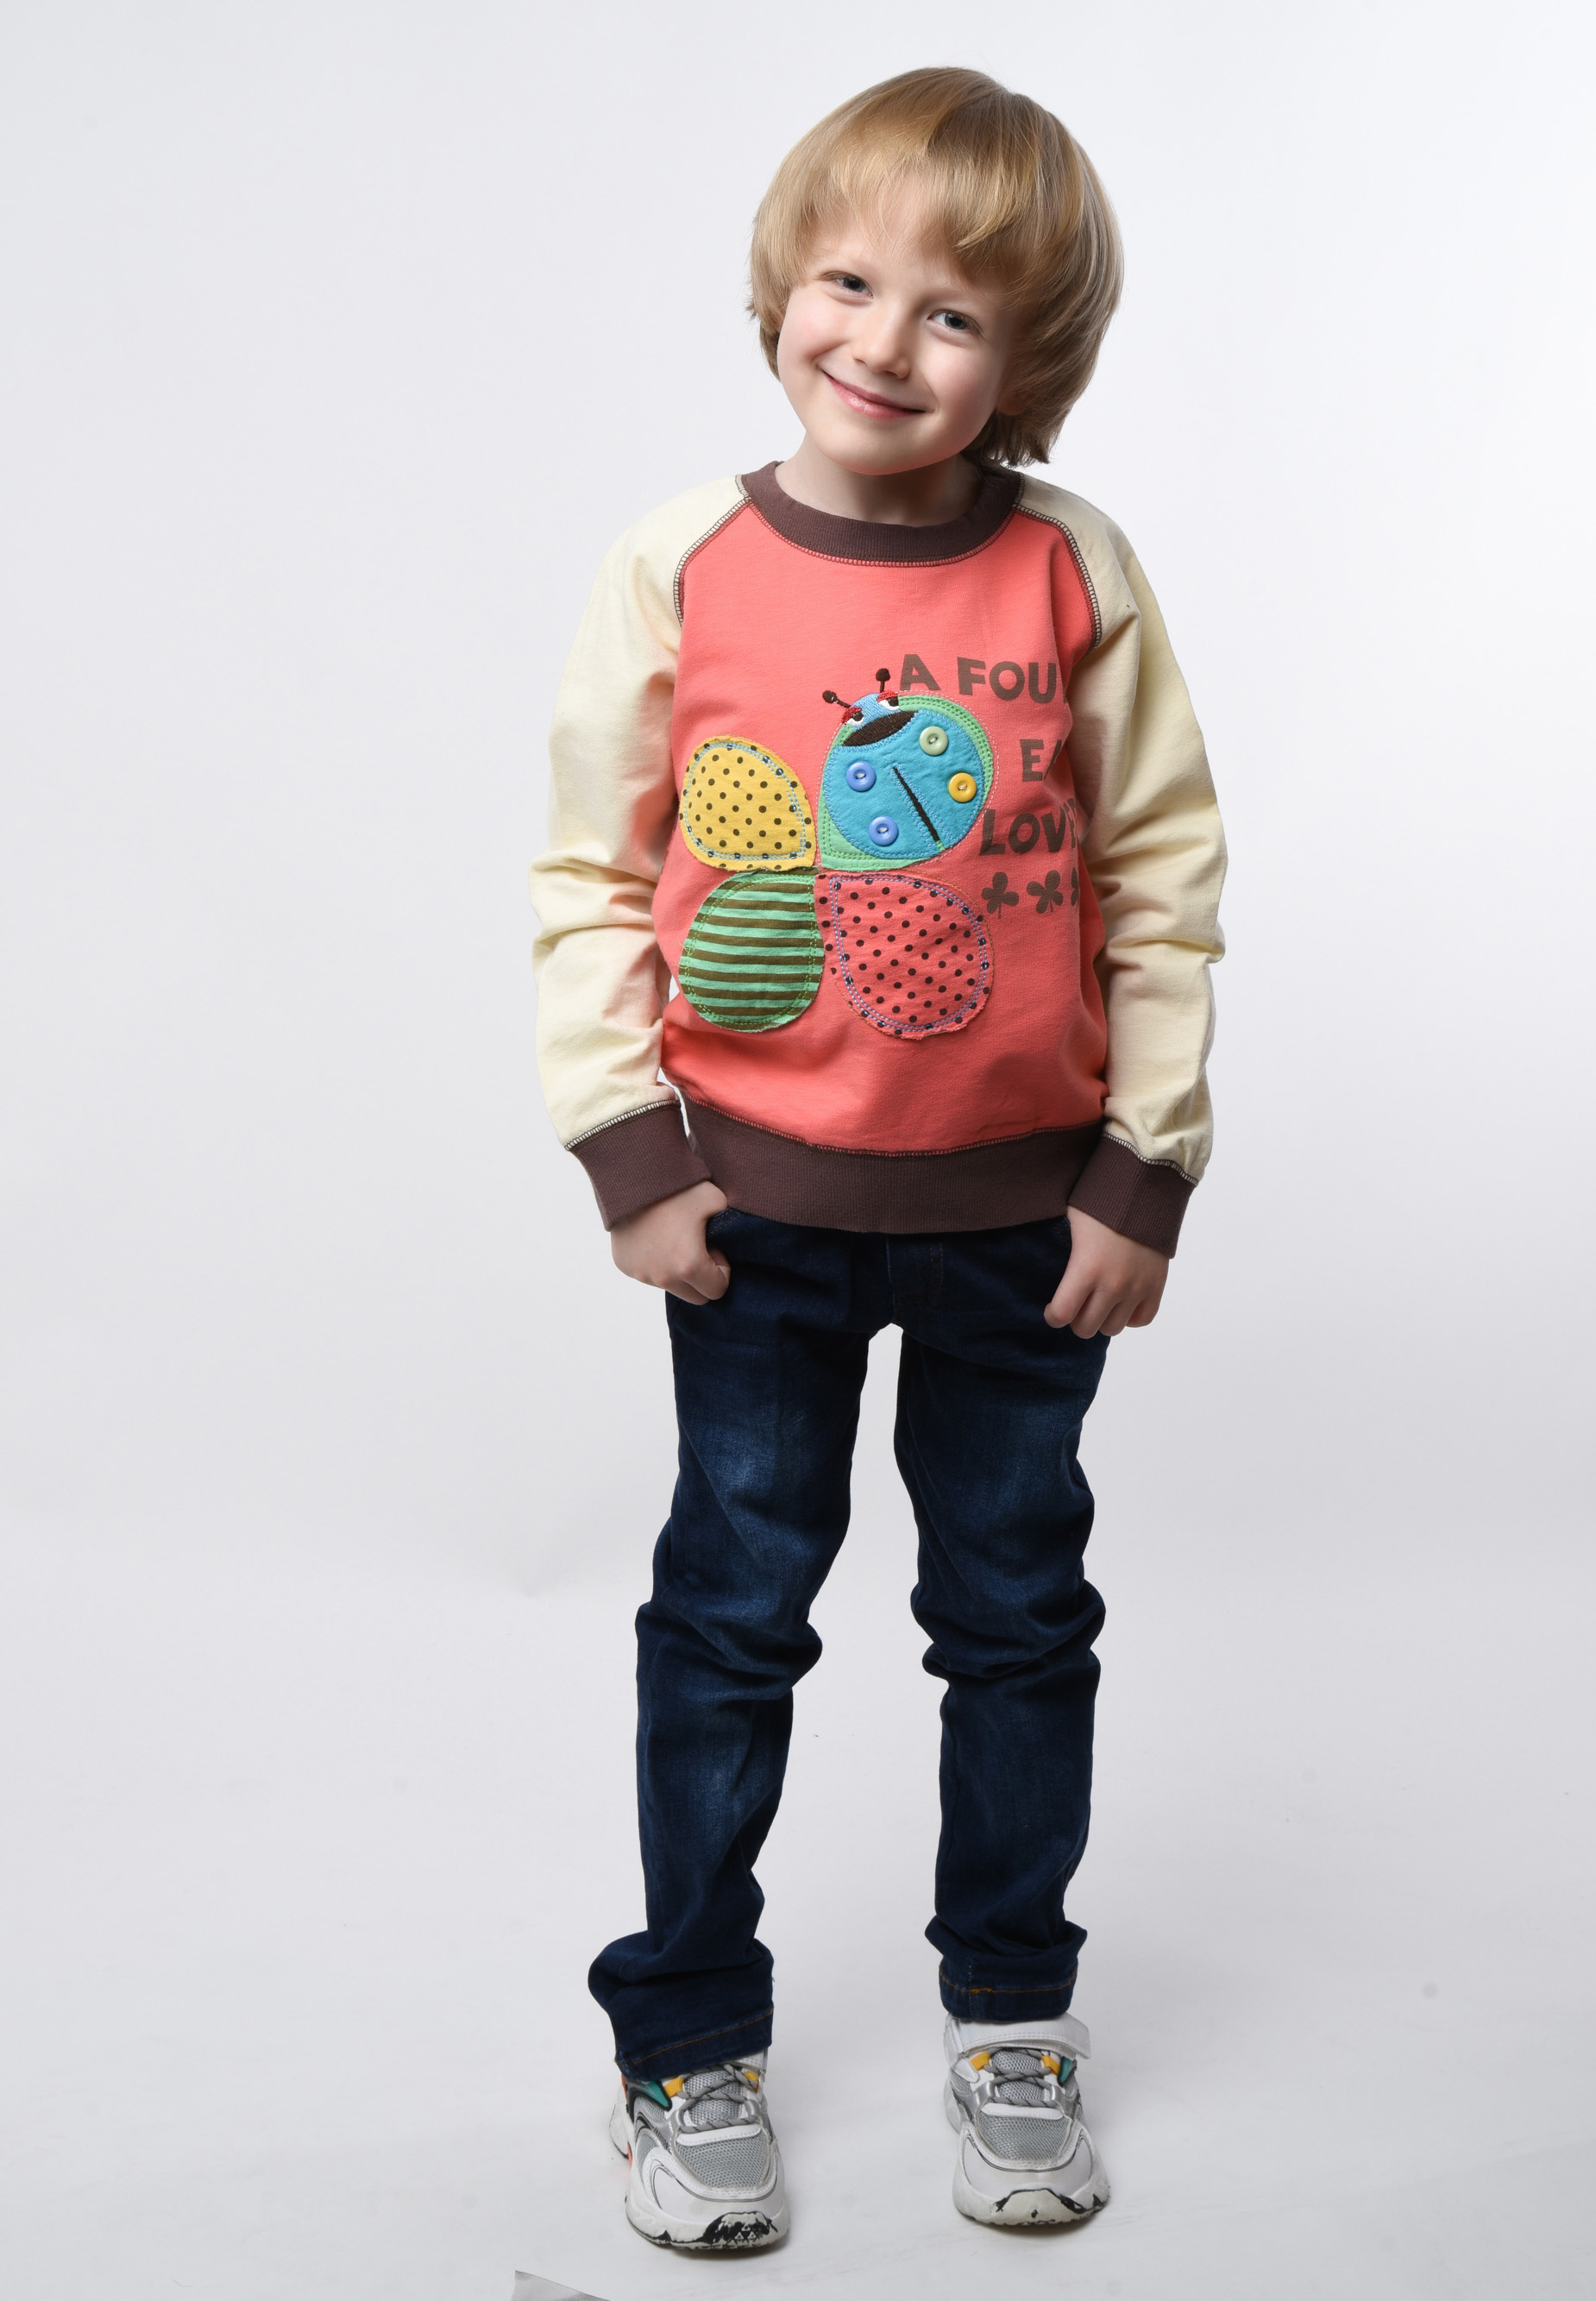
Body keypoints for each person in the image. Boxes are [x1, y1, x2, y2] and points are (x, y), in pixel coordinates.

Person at [529, 66, 1226, 2253]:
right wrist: (631, 1147)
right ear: (778, 288)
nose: (886, 341)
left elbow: (1162, 870)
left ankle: (1012, 2009)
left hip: (1027, 1222)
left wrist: (1142, 1170)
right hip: (755, 1216)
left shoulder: (1071, 565)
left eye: (956, 313)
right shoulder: (684, 560)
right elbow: (588, 868)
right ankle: (683, 2031)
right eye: (848, 281)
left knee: (1015, 1619)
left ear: (1031, 359)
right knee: (730, 1618)